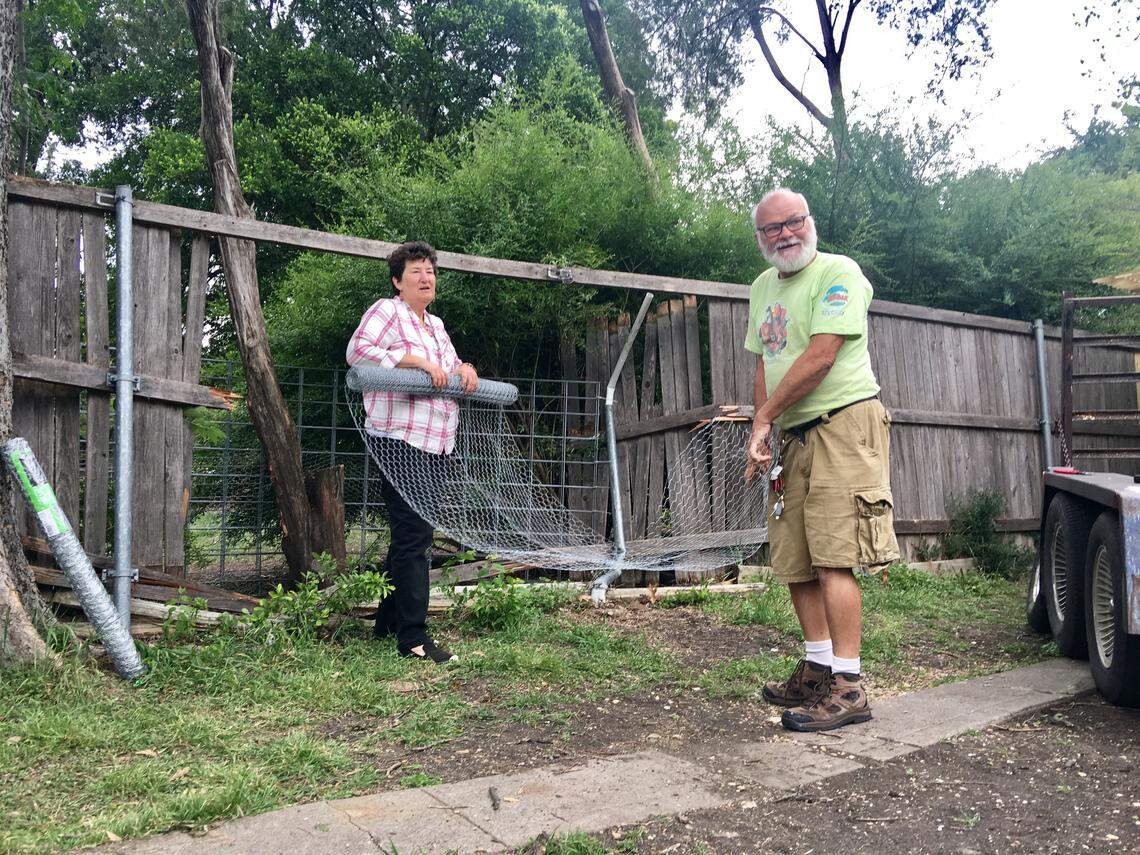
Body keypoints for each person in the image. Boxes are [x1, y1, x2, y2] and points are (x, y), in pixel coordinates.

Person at [743, 188, 899, 732]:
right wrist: (762, 423)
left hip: (844, 423)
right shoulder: (762, 287)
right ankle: (817, 670)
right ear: (760, 238)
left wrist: (766, 416)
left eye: (794, 222)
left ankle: (850, 687)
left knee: (835, 555)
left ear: (810, 222)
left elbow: (820, 356)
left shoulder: (840, 273)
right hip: (796, 433)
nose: (786, 233)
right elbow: (767, 360)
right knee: (797, 559)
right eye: (772, 228)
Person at [346, 240, 478, 664]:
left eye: (431, 272)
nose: (426, 278)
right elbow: (358, 353)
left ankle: (387, 624)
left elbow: (451, 366)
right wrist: (414, 362)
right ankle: (414, 638)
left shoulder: (436, 326)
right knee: (416, 537)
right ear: (397, 281)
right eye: (416, 271)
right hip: (400, 440)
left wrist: (465, 369)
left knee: (410, 534)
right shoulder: (387, 312)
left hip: (437, 440)